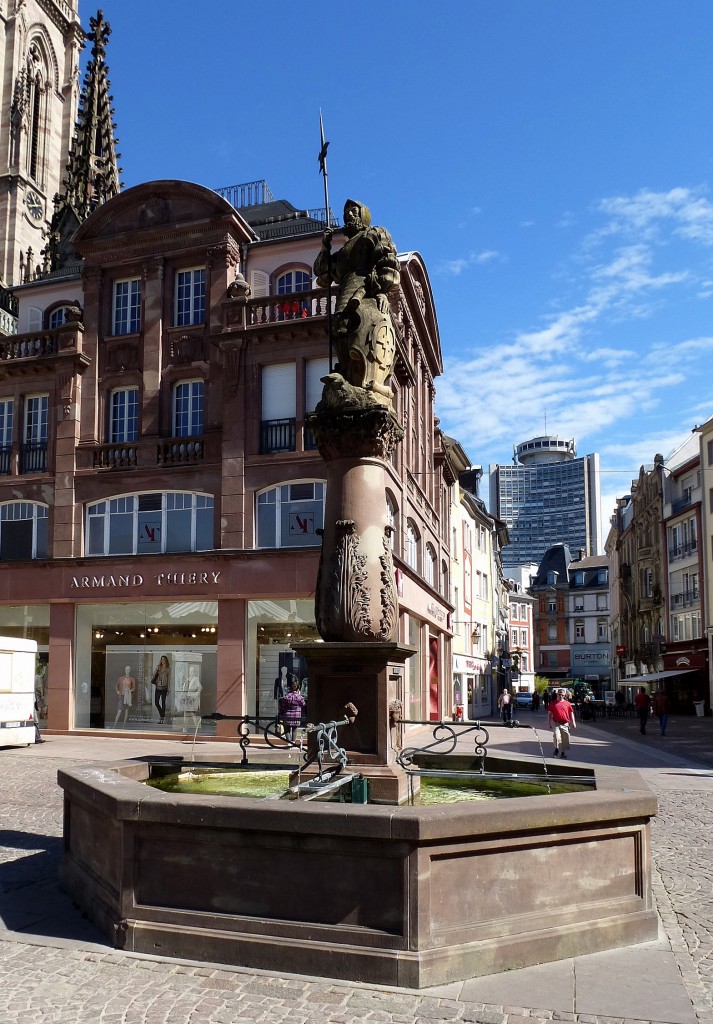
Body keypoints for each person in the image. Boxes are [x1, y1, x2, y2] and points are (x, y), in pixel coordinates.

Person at [313, 199, 400, 402]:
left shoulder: (374, 234)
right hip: (345, 292)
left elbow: (388, 262)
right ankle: (346, 373)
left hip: (364, 290)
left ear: (364, 215)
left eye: (354, 211)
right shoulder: (342, 252)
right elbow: (323, 273)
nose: (349, 216)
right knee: (340, 329)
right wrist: (325, 247)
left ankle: (363, 378)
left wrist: (379, 289)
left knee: (360, 331)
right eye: (346, 213)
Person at [548, 688, 576, 758]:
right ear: (557, 694)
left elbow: (571, 713)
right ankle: (556, 749)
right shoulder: (553, 704)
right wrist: (549, 723)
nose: (560, 696)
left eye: (562, 695)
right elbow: (549, 714)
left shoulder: (567, 703)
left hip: (565, 724)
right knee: (556, 736)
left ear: (564, 695)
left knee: (565, 738)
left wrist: (574, 722)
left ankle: (563, 753)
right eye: (559, 694)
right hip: (556, 723)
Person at [278, 678, 306, 742]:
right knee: (294, 729)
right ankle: (293, 742)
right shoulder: (300, 697)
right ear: (298, 688)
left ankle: (289, 742)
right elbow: (303, 704)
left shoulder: (287, 696)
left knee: (287, 730)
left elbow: (283, 704)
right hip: (296, 715)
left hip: (287, 715)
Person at [181, 665, 203, 734]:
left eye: (192, 671)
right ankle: (185, 727)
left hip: (191, 698)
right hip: (186, 698)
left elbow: (200, 687)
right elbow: (185, 688)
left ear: (194, 672)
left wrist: (196, 694)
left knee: (192, 713)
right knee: (185, 713)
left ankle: (196, 726)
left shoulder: (196, 679)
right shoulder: (188, 679)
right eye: (190, 671)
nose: (191, 672)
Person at [151, 655, 170, 724]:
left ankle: (161, 719)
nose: (163, 661)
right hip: (158, 687)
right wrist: (157, 670)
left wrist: (168, 689)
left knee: (163, 703)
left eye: (164, 659)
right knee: (156, 703)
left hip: (164, 687)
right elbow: (153, 676)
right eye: (162, 659)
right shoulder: (158, 667)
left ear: (166, 660)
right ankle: (162, 715)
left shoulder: (167, 669)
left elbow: (168, 680)